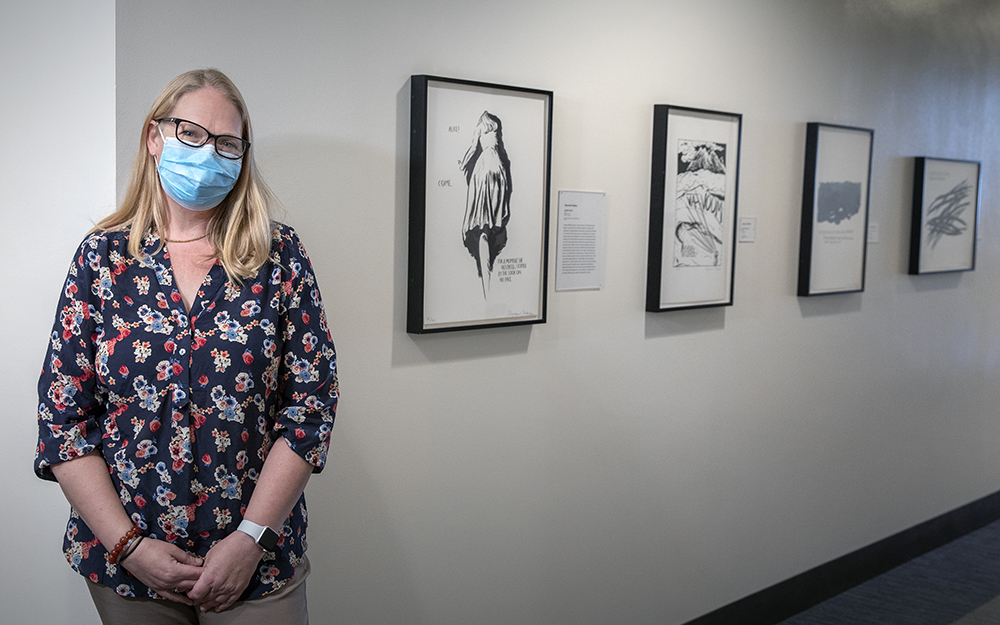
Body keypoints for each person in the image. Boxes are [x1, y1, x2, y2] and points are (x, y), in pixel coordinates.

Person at [34, 68, 338, 624]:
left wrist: (249, 540)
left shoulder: (280, 257)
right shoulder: (101, 261)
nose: (209, 154)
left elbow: (310, 410)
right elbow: (63, 422)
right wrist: (130, 547)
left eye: (227, 143)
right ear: (156, 137)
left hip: (258, 564)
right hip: (130, 566)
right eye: (191, 134)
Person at [459, 110, 511, 299]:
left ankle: (481, 225)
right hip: (497, 168)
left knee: (480, 215)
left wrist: (463, 163)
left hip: (483, 169)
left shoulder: (480, 127)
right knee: (490, 216)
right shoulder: (496, 128)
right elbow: (502, 151)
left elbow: (473, 148)